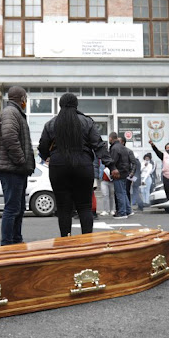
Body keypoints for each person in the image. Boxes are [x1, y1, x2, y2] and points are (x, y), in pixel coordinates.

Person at [38, 93, 119, 237]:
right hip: (83, 166)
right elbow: (99, 145)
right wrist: (111, 166)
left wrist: (47, 157)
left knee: (63, 208)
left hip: (58, 167)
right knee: (84, 207)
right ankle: (86, 242)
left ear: (60, 105)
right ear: (76, 105)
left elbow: (43, 147)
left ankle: (66, 241)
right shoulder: (87, 122)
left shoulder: (51, 123)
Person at [0, 86, 35, 245]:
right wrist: (21, 161)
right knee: (12, 208)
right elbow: (10, 138)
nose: (26, 101)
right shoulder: (11, 113)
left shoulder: (14, 112)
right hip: (12, 169)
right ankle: (8, 243)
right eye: (26, 98)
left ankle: (16, 240)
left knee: (18, 207)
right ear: (22, 98)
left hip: (16, 169)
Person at [108, 132, 132, 219]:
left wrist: (112, 169)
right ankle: (128, 210)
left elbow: (112, 161)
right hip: (124, 172)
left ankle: (122, 212)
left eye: (109, 138)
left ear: (111, 138)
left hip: (118, 173)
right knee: (123, 192)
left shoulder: (114, 148)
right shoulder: (123, 147)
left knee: (119, 193)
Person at [119, 136, 141, 213]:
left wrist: (131, 173)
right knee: (120, 192)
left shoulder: (128, 151)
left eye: (119, 141)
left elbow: (134, 163)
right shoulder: (116, 150)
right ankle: (121, 208)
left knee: (126, 191)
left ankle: (128, 209)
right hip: (118, 175)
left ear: (123, 142)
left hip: (126, 175)